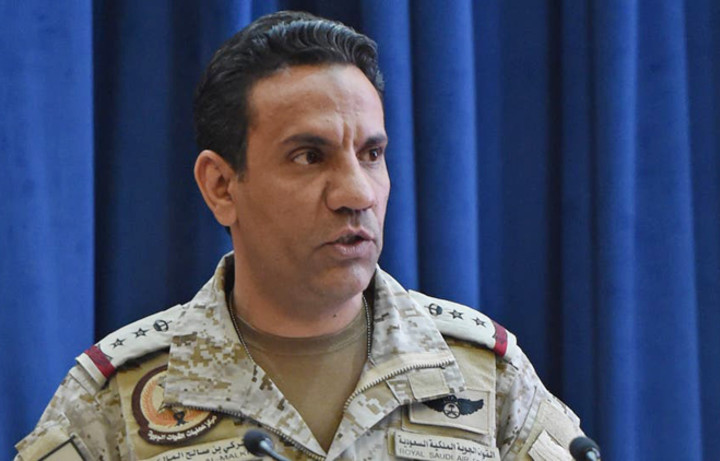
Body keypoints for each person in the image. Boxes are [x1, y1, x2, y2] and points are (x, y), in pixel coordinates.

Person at [16, 11, 584, 461]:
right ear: (220, 186)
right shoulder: (118, 397)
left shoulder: (482, 374)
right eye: (310, 156)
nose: (356, 193)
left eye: (372, 154)